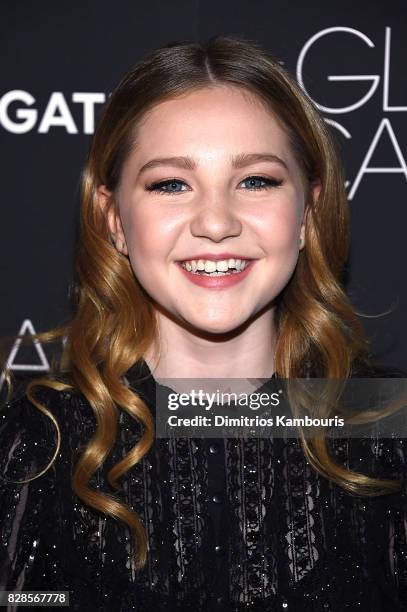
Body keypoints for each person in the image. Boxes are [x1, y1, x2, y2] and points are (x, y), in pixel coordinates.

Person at [1, 35, 406, 612]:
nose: (215, 223)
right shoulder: (37, 443)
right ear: (113, 217)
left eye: (256, 180)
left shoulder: (390, 433)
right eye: (171, 184)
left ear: (307, 215)